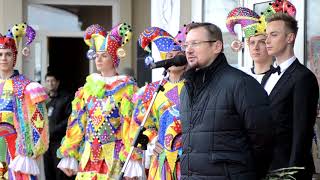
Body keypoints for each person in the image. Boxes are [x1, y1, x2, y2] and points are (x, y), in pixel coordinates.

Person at [179, 22, 273, 179]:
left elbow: (263, 138)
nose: (188, 50)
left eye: (195, 43)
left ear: (217, 46)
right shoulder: (187, 88)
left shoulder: (240, 83)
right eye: (186, 44)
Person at [56, 23, 138, 179]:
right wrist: (70, 153)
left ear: (114, 58)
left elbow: (131, 124)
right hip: (89, 157)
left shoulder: (126, 88)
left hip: (114, 157)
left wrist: (131, 158)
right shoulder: (87, 89)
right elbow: (78, 121)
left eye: (104, 55)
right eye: (97, 55)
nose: (98, 59)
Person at [124, 26, 188, 180]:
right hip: (161, 159)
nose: (173, 58)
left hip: (189, 158)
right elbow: (140, 122)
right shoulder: (153, 89)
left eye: (178, 55)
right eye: (169, 55)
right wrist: (152, 140)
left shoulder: (196, 85)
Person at [264, 4, 319, 179]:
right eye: (267, 35)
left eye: (274, 35)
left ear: (290, 38)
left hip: (287, 170)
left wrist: (291, 175)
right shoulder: (267, 76)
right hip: (264, 166)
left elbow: (302, 132)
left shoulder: (303, 78)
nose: (267, 41)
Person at [0, 23, 49, 179]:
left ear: (14, 56)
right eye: (0, 54)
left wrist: (30, 151)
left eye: (8, 54)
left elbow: (39, 123)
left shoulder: (28, 87)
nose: (3, 58)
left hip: (17, 153)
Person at [226, 6, 274, 83]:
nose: (255, 47)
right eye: (252, 42)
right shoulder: (240, 75)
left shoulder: (280, 76)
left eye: (262, 42)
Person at [43, 72, 73, 180]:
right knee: (48, 171)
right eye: (48, 81)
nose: (50, 84)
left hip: (60, 143)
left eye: (53, 81)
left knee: (60, 173)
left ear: (58, 83)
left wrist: (54, 130)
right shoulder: (44, 101)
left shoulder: (66, 98)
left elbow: (69, 119)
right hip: (47, 144)